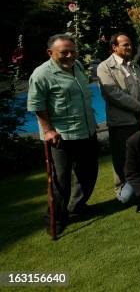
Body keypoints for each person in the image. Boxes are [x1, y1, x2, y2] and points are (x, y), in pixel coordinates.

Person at [27, 34, 99, 233]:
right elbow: (36, 105)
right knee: (61, 179)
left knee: (89, 172)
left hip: (86, 130)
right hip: (61, 135)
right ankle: (56, 218)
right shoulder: (41, 74)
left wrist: (92, 121)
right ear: (50, 53)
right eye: (64, 52)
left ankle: (76, 206)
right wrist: (48, 130)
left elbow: (83, 97)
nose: (70, 55)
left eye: (72, 51)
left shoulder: (77, 67)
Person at [98, 33, 140, 188]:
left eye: (130, 44)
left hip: (139, 119)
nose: (129, 47)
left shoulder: (134, 65)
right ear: (114, 47)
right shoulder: (105, 67)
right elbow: (113, 94)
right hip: (121, 121)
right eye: (125, 45)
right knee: (122, 156)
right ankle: (123, 190)